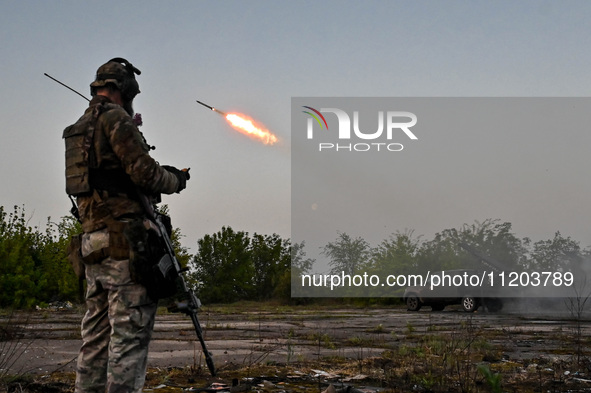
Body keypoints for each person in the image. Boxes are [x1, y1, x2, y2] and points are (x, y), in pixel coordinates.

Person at [64, 58, 190, 393]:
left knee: (95, 340)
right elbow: (145, 174)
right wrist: (176, 179)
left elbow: (105, 176)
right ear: (123, 89)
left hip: (93, 245)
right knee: (128, 340)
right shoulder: (115, 118)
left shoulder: (79, 129)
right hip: (124, 247)